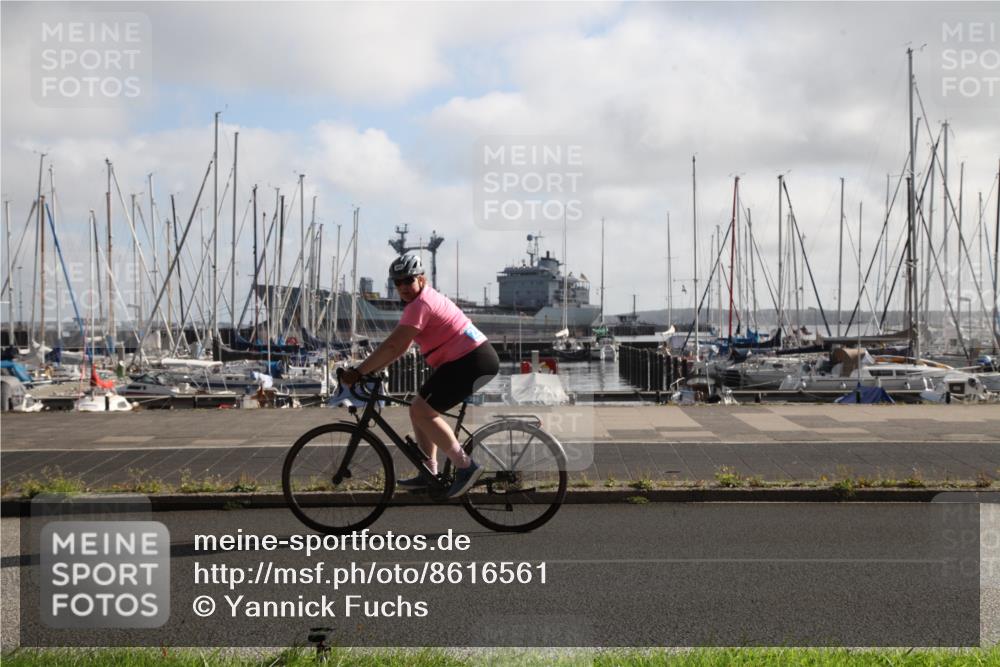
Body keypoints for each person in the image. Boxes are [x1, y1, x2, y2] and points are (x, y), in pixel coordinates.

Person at [340, 253, 500, 499]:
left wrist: (360, 371)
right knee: (419, 408)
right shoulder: (420, 301)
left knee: (421, 411)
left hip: (471, 360)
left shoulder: (421, 304)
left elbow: (393, 344)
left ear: (421, 279)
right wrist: (371, 369)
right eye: (398, 282)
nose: (403, 286)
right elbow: (401, 347)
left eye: (408, 280)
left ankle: (466, 467)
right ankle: (429, 471)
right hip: (467, 359)